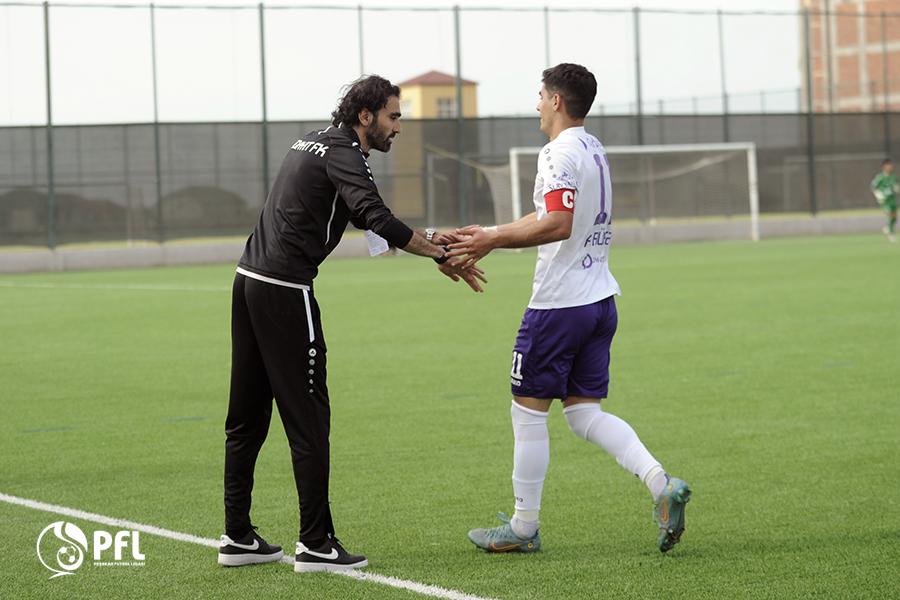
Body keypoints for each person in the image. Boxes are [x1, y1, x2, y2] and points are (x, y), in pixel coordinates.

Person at [218, 75, 485, 573]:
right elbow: (374, 214)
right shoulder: (345, 151)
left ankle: (237, 537)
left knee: (247, 418)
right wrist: (440, 253)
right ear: (366, 117)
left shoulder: (319, 142)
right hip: (284, 290)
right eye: (394, 116)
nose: (398, 127)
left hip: (247, 281)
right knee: (309, 419)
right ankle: (316, 545)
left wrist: (428, 238)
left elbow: (361, 217)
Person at [450, 63, 691, 554]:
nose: (536, 104)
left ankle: (522, 528)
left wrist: (492, 239)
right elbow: (550, 214)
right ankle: (660, 483)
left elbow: (557, 223)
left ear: (557, 101)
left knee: (527, 414)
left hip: (559, 305)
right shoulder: (592, 147)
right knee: (583, 415)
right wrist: (491, 231)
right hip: (600, 299)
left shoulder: (557, 152)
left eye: (540, 95)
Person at [870, 158, 898, 242]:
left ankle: (887, 228)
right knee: (889, 214)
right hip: (885, 201)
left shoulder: (894, 176)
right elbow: (873, 186)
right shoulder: (880, 177)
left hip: (892, 200)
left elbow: (896, 186)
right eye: (888, 165)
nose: (890, 167)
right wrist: (878, 194)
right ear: (884, 167)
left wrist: (897, 188)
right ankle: (891, 233)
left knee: (894, 217)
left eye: (891, 165)